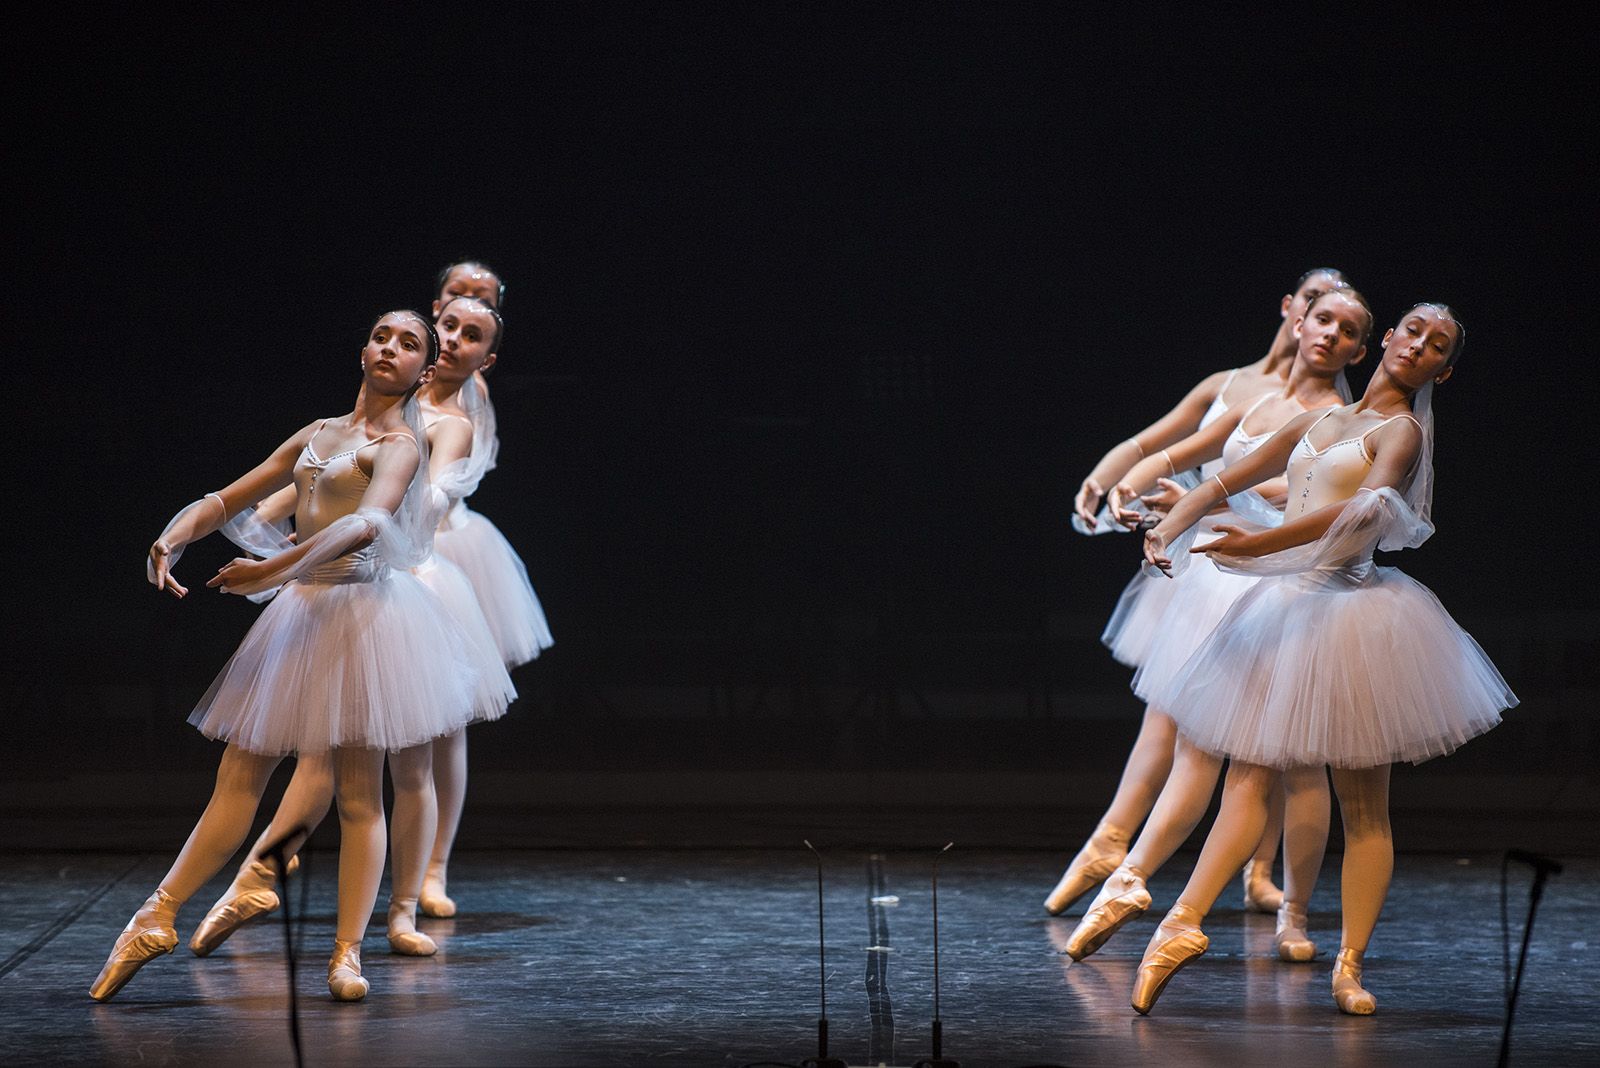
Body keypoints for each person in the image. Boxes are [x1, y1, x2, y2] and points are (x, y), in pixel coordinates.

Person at [1130, 304, 1516, 1015]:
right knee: (1246, 777)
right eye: (1415, 331)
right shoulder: (1323, 418)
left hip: (1356, 618)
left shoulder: (1401, 434)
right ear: (1392, 335)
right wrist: (1170, 524)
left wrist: (1253, 545)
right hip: (1288, 609)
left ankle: (1350, 965)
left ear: (1443, 370)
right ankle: (1179, 924)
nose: (1419, 347)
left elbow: (1359, 516)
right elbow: (1227, 477)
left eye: (1437, 346)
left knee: (1363, 807)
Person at [90, 312, 482, 1003]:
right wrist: (174, 534)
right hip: (300, 617)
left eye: (409, 343)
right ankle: (155, 913)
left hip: (365, 619)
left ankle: (347, 953)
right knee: (237, 778)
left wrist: (274, 572)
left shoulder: (401, 443)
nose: (390, 348)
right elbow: (231, 498)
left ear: (424, 371)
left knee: (360, 794)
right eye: (381, 336)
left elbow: (369, 523)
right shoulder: (317, 434)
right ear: (362, 349)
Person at [1062, 286, 1373, 963]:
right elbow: (1184, 451)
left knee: (1293, 764)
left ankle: (1283, 908)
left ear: (1358, 347)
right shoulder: (1251, 395)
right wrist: (1126, 488)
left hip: (1283, 585)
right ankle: (1129, 871)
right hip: (1222, 576)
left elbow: (1300, 497)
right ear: (1294, 312)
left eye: (1346, 328)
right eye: (1320, 317)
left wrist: (1203, 504)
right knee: (1196, 741)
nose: (1325, 334)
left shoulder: (1338, 415)